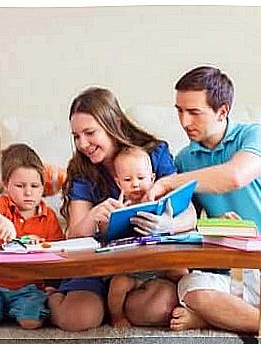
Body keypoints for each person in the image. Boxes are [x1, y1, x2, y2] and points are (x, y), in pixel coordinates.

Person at [144, 66, 261, 340]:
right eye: (179, 110)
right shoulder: (185, 159)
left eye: (194, 112)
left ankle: (222, 316)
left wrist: (166, 183)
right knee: (190, 287)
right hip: (228, 279)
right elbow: (188, 222)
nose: (184, 121)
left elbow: (234, 176)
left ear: (222, 112)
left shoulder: (256, 136)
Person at [47, 87, 195, 331]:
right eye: (76, 136)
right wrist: (94, 215)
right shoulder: (82, 169)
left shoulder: (153, 154)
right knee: (79, 318)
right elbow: (73, 235)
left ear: (114, 123)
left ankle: (111, 305)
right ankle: (50, 295)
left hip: (143, 267)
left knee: (161, 308)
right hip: (96, 266)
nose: (82, 144)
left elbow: (188, 212)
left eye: (89, 133)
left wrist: (169, 225)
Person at [0, 143, 64, 330]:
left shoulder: (49, 216)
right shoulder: (2, 205)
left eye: (35, 186)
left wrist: (53, 286)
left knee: (31, 323)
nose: (28, 192)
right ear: (6, 184)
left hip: (29, 287)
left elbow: (59, 252)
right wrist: (2, 222)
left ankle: (7, 309)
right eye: (20, 186)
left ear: (43, 186)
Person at [108, 146, 191, 327]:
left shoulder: (159, 204)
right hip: (133, 271)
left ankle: (190, 308)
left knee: (182, 272)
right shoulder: (118, 208)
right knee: (118, 285)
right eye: (128, 180)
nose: (135, 184)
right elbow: (108, 236)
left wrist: (169, 223)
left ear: (152, 179)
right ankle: (117, 317)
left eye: (141, 178)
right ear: (118, 183)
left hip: (160, 265)